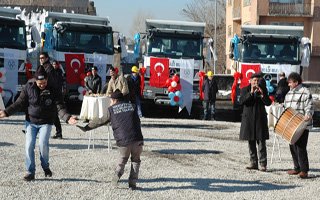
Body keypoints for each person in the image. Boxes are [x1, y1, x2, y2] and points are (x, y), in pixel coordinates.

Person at [0, 67, 77, 181]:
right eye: (40, 83)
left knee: (42, 144)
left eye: (44, 82)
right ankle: (30, 171)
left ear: (47, 79)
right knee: (29, 145)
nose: (42, 85)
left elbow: (59, 106)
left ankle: (45, 166)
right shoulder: (28, 87)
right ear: (35, 80)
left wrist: (67, 117)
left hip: (46, 122)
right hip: (31, 121)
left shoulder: (53, 88)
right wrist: (6, 112)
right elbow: (19, 103)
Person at [77, 89, 144, 190]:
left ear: (115, 100)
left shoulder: (111, 110)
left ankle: (115, 179)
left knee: (123, 160)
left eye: (111, 100)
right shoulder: (133, 107)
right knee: (136, 161)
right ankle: (132, 184)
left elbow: (99, 121)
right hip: (137, 139)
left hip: (123, 141)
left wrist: (86, 128)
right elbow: (137, 122)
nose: (110, 102)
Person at [239, 73, 272, 172]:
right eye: (254, 80)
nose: (256, 82)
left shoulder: (263, 89)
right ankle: (253, 162)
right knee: (251, 141)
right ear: (250, 81)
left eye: (257, 81)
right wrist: (251, 93)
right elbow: (242, 101)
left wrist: (262, 95)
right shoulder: (245, 89)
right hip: (248, 119)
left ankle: (263, 164)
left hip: (260, 119)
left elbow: (268, 102)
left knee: (261, 142)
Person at [284, 72, 314, 179]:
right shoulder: (288, 94)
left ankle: (304, 170)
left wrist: (308, 115)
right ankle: (296, 168)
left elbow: (309, 106)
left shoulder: (305, 92)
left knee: (301, 147)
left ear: (296, 82)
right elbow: (286, 108)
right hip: (291, 125)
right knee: (292, 145)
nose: (289, 84)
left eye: (290, 82)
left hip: (302, 125)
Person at [38, 52, 64, 139]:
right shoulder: (43, 67)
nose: (40, 59)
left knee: (49, 112)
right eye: (40, 58)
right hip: (46, 93)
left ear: (46, 58)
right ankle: (58, 132)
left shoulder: (48, 68)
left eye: (42, 58)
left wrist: (46, 91)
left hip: (49, 94)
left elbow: (49, 82)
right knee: (48, 112)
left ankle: (58, 132)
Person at [51, 60, 65, 139]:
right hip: (52, 95)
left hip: (57, 95)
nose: (54, 66)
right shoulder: (51, 72)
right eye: (53, 64)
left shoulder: (59, 72)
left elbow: (61, 83)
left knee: (55, 115)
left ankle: (59, 133)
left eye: (55, 64)